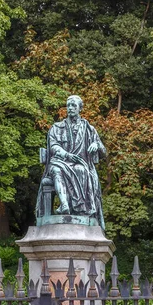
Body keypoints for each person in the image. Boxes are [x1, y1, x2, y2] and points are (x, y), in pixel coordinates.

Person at [36, 95, 106, 229]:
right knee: (56, 168)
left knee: (80, 170)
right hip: (60, 161)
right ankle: (65, 205)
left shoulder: (89, 129)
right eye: (68, 105)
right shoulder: (57, 127)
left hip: (81, 165)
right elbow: (54, 146)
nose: (70, 108)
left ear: (80, 108)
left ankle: (79, 207)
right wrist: (66, 155)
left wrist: (96, 144)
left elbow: (104, 152)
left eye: (73, 105)